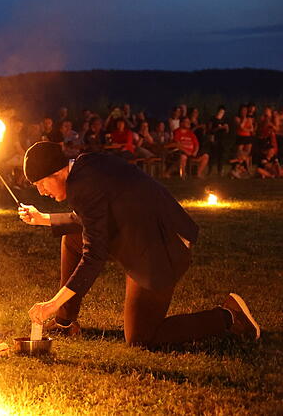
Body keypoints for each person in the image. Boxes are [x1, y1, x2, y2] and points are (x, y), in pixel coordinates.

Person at [18, 142, 260, 348]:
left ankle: (229, 316)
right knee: (71, 239)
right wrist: (44, 219)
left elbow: (94, 255)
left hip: (162, 250)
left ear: (57, 173)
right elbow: (94, 216)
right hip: (145, 237)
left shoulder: (83, 186)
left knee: (141, 339)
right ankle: (65, 322)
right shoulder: (85, 166)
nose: (41, 192)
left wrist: (52, 303)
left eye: (41, 183)